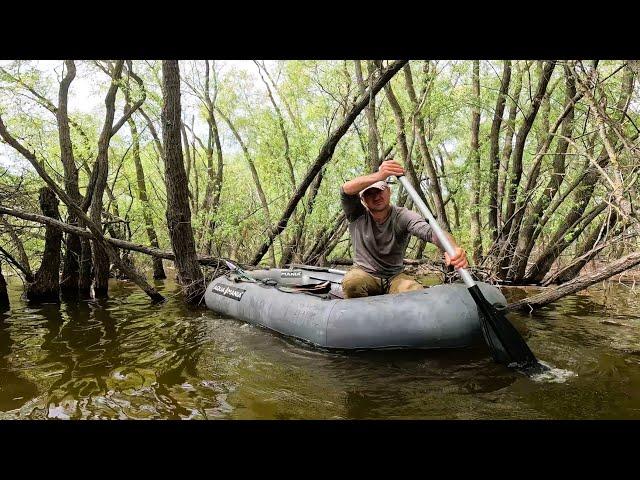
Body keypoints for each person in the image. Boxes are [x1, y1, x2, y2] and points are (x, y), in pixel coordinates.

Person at [340, 159, 468, 299]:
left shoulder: (403, 216)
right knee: (352, 283)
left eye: (380, 191)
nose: (376, 196)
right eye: (370, 193)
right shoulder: (356, 214)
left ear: (388, 191)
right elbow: (345, 190)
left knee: (415, 292)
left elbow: (431, 233)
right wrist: (380, 175)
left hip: (395, 276)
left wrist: (452, 248)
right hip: (365, 272)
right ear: (363, 199)